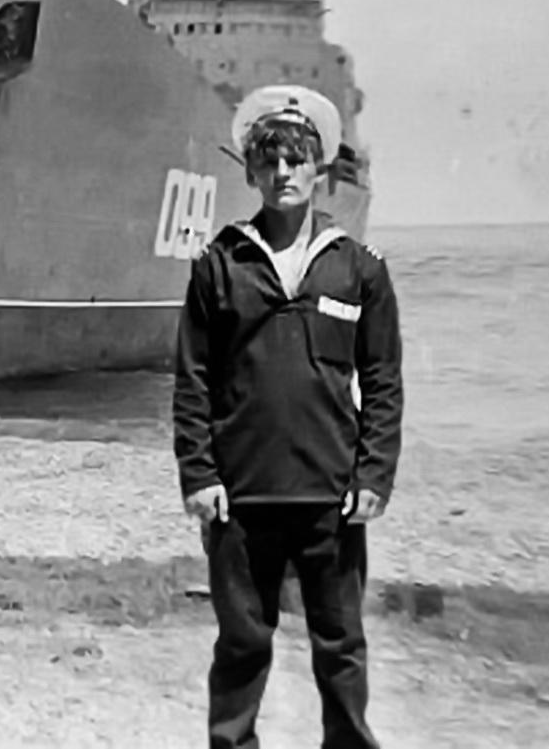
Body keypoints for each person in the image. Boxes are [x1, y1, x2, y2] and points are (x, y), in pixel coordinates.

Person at [172, 83, 403, 749]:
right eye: (268, 161)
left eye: (296, 160)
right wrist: (199, 476)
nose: (282, 173)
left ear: (319, 168)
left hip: (332, 493)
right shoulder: (219, 265)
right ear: (250, 171)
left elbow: (382, 381)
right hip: (242, 494)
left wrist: (374, 475)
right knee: (242, 644)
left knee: (341, 644)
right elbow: (192, 380)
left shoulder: (358, 269)